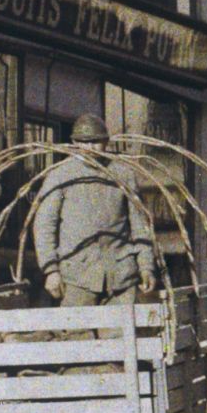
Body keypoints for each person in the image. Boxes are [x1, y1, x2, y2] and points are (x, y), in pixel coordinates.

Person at [32, 114, 158, 305]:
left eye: (95, 141)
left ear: (106, 141)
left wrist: (146, 267)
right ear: (74, 142)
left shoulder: (124, 174)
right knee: (78, 333)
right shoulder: (60, 175)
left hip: (121, 276)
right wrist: (51, 270)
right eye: (83, 142)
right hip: (77, 276)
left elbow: (140, 226)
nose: (90, 147)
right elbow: (44, 226)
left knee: (121, 333)